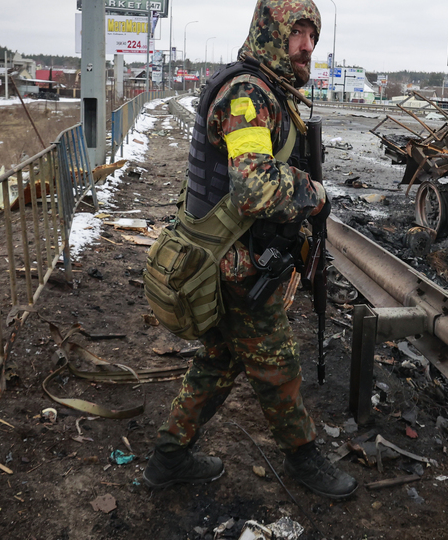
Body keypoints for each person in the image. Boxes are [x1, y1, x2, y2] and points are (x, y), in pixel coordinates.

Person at [142, 0, 357, 500]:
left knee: (220, 359)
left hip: (224, 257)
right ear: (269, 33)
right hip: (232, 264)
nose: (306, 46)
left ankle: (166, 460)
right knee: (277, 364)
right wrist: (316, 193)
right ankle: (305, 460)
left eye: (312, 35)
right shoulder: (247, 95)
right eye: (297, 33)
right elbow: (255, 188)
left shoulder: (263, 89)